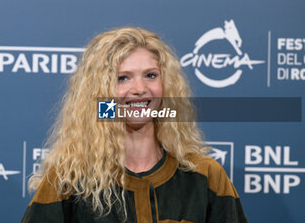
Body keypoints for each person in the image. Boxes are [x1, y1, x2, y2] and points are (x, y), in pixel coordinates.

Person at [21, 27, 248, 223]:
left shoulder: (205, 176)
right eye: (123, 78)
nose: (139, 89)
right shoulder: (67, 180)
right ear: (98, 94)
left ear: (166, 85)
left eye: (150, 75)